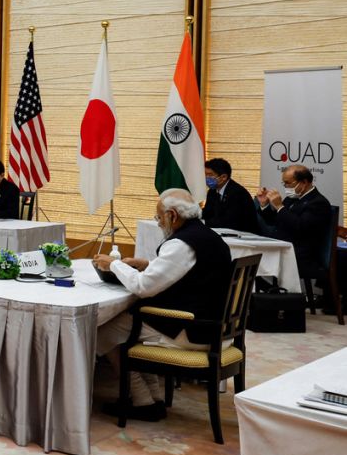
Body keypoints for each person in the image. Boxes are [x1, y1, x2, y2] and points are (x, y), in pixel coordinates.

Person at [92, 189, 234, 421]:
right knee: (126, 328)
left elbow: (142, 287)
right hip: (216, 325)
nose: (158, 223)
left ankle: (141, 401)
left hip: (192, 328)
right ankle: (153, 399)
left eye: (159, 218)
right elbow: (187, 271)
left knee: (104, 329)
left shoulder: (181, 243)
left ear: (172, 215)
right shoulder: (207, 236)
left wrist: (114, 264)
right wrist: (148, 263)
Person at [256, 164, 334, 310]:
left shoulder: (318, 203)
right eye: (283, 183)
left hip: (302, 254)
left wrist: (280, 207)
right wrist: (265, 205)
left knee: (252, 262)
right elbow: (276, 221)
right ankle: (269, 295)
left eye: (288, 183)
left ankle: (276, 299)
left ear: (304, 182)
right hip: (283, 247)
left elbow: (300, 227)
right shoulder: (292, 198)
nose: (285, 186)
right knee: (246, 260)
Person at [202, 158, 258, 233]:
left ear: (223, 177)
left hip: (244, 235)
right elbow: (207, 213)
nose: (206, 178)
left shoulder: (237, 193)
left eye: (210, 175)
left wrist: (204, 222)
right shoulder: (212, 192)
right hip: (223, 232)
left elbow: (229, 222)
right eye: (205, 174)